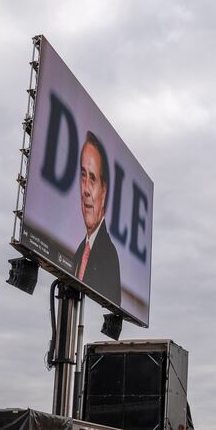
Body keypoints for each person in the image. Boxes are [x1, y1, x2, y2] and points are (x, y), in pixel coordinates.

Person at [72, 131, 121, 306]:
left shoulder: (109, 256)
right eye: (83, 175)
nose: (85, 189)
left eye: (92, 178)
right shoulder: (79, 251)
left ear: (104, 190)